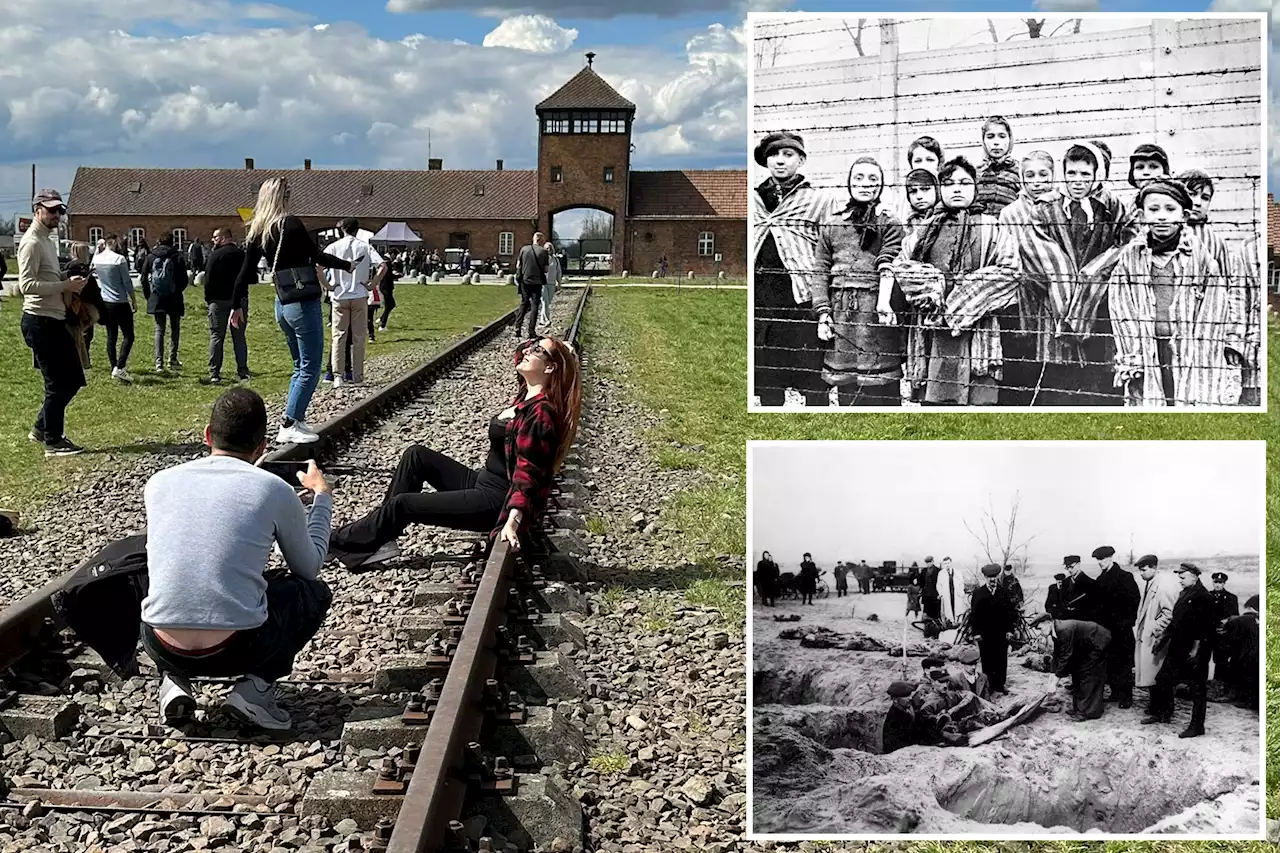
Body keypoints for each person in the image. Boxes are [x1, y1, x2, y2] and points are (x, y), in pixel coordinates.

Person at [139, 388, 334, 730]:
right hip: (238, 647)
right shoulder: (274, 490)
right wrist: (322, 498)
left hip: (160, 641)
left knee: (167, 575)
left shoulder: (158, 483)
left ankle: (173, 681)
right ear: (261, 447)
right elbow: (309, 567)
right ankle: (253, 692)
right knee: (312, 592)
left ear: (207, 435)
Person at [328, 337, 581, 568]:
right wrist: (559, 350)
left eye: (537, 350)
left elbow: (529, 474)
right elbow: (519, 353)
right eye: (531, 346)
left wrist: (513, 521)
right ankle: (380, 540)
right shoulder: (527, 395)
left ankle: (334, 541)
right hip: (482, 481)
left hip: (494, 501)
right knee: (416, 456)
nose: (527, 350)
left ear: (549, 368)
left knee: (403, 505)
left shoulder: (541, 415)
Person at [230, 177, 358, 445]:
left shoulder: (258, 229)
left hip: (282, 303)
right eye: (288, 192)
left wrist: (235, 305)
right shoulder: (291, 224)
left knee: (299, 365)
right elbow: (317, 256)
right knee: (310, 366)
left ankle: (295, 418)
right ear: (283, 196)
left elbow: (243, 272)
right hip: (303, 302)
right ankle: (290, 422)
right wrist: (346, 266)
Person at [893, 156, 1016, 405]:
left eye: (964, 183)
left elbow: (1011, 271)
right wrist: (931, 286)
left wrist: (964, 298)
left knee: (977, 403)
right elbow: (902, 266)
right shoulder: (925, 229)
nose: (957, 189)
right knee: (936, 405)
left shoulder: (991, 226)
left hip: (978, 327)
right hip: (932, 327)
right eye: (948, 183)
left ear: (975, 187)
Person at [1108, 178, 1239, 406]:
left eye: (1170, 209)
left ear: (1184, 216)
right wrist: (1133, 353)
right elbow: (1121, 305)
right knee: (1152, 399)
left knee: (1187, 399)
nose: (1161, 216)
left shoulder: (1199, 257)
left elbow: (1214, 305)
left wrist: (1203, 348)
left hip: (1190, 347)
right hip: (1148, 347)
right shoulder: (1132, 257)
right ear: (1141, 216)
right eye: (1154, 209)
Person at [811, 155, 905, 406]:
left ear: (882, 184)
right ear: (850, 183)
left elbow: (892, 262)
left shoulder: (890, 222)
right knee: (848, 389)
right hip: (842, 314)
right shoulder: (832, 223)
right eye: (859, 178)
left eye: (873, 178)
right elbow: (820, 270)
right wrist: (823, 312)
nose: (865, 184)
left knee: (881, 389)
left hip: (876, 315)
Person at [752, 131, 832, 407]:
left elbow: (829, 246)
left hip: (801, 298)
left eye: (788, 155)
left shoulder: (818, 201)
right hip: (763, 298)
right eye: (773, 155)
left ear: (801, 159)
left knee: (810, 372)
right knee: (767, 374)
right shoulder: (755, 200)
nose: (780, 161)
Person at [18, 189, 88, 457]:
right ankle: (53, 441)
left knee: (71, 379)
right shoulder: (32, 243)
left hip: (53, 319)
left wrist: (67, 276)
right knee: (58, 383)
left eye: (59, 210)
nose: (57, 215)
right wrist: (63, 284)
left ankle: (41, 429)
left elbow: (46, 274)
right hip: (39, 320)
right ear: (37, 210)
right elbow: (26, 285)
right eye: (51, 210)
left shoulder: (47, 240)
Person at [1144, 563, 1215, 737]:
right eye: (1179, 577)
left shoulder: (1203, 596)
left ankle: (1197, 726)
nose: (1180, 581)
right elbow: (1175, 622)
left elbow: (1204, 628)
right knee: (1162, 679)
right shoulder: (1185, 593)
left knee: (1198, 688)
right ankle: (1164, 713)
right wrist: (1162, 639)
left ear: (1194, 576)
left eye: (1183, 577)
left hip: (1196, 650)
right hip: (1178, 647)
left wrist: (1196, 651)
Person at [324, 218, 386, 389]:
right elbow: (382, 266)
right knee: (359, 337)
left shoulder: (333, 247)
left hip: (339, 295)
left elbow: (317, 266)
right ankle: (358, 376)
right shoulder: (365, 246)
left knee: (338, 336)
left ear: (343, 229)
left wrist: (328, 285)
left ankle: (337, 376)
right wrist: (373, 284)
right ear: (357, 230)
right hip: (359, 294)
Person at [1032, 613, 1112, 720]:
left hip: (1098, 641)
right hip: (1086, 644)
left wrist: (1054, 684)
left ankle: (1088, 712)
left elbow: (1065, 657)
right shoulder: (1056, 630)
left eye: (1040, 628)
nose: (1040, 632)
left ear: (1047, 623)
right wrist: (1051, 678)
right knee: (1077, 672)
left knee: (1088, 675)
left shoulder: (1063, 629)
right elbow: (1057, 655)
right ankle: (1078, 708)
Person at [1091, 545, 1139, 708]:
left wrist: (1126, 622)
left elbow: (1134, 602)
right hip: (1106, 630)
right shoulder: (1100, 580)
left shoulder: (1125, 577)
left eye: (1102, 559)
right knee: (1110, 662)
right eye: (1098, 560)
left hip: (1121, 630)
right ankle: (1115, 692)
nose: (1100, 563)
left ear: (1111, 558)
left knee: (1123, 664)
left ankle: (1126, 697)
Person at [204, 228, 251, 384]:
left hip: (218, 301)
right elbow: (248, 278)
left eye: (215, 237)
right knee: (239, 337)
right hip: (238, 301)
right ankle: (243, 370)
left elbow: (208, 278)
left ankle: (214, 372)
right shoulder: (242, 255)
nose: (213, 240)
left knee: (217, 336)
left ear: (224, 238)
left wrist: (209, 299)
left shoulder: (215, 255)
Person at [142, 233, 188, 373]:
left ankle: (159, 362)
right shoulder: (177, 256)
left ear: (158, 241)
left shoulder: (151, 256)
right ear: (172, 242)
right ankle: (172, 358)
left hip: (157, 297)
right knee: (175, 328)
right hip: (174, 297)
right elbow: (184, 279)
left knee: (159, 330)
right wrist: (177, 290)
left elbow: (143, 277)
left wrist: (148, 295)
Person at [94, 235, 137, 383]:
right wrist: (133, 299)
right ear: (114, 244)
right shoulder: (119, 259)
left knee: (111, 337)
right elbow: (127, 281)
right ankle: (120, 366)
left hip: (106, 301)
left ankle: (114, 367)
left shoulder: (97, 259)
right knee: (128, 336)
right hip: (120, 301)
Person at [1133, 553, 1180, 691]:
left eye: (1144, 570)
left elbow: (1169, 614)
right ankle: (1155, 707)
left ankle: (1163, 709)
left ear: (1154, 568)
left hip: (1157, 638)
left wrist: (1154, 628)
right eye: (1140, 570)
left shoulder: (1163, 588)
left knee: (1158, 675)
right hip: (1147, 636)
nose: (1141, 573)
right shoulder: (1150, 584)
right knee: (1151, 674)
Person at [969, 563, 1015, 693]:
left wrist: (1009, 630)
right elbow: (974, 615)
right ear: (985, 577)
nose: (992, 579)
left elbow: (1009, 613)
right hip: (985, 634)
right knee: (987, 659)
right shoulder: (978, 593)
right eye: (989, 577)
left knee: (1001, 659)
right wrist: (976, 632)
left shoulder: (1004, 592)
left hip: (1001, 634)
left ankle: (1000, 685)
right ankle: (988, 686)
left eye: (994, 576)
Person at [975, 116, 1019, 217]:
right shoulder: (976, 173)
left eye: (1002, 136)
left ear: (1010, 139)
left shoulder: (1019, 172)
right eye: (990, 136)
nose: (996, 142)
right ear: (983, 140)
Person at [1221, 595, 1258, 710]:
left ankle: (1241, 698)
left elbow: (1229, 640)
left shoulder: (1237, 620)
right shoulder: (1256, 620)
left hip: (1243, 655)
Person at [514, 232, 550, 340]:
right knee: (535, 305)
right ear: (541, 240)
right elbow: (546, 269)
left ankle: (517, 327)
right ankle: (531, 331)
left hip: (525, 281)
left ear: (533, 239)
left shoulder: (524, 249)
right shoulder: (543, 252)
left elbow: (518, 265)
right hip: (537, 282)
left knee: (524, 303)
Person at [1208, 571, 1239, 688]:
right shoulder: (1207, 596)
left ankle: (1219, 683)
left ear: (1224, 583)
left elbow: (1235, 616)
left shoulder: (1231, 598)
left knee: (1221, 660)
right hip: (1209, 632)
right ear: (1213, 582)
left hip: (1222, 634)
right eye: (1216, 582)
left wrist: (1226, 622)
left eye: (1220, 583)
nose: (1217, 585)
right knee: (1203, 658)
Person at [1058, 554, 1098, 622]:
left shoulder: (1090, 583)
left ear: (1079, 564)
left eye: (1071, 567)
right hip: (1067, 622)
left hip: (1082, 622)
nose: (1069, 570)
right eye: (1067, 567)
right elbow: (1061, 601)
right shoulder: (1065, 582)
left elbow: (1092, 607)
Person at [881, 681, 917, 753]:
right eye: (905, 696)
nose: (910, 698)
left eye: (910, 695)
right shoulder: (895, 718)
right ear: (895, 700)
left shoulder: (906, 707)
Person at [539, 240, 561, 334]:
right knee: (545, 302)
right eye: (547, 248)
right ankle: (547, 320)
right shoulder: (541, 258)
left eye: (550, 248)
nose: (549, 250)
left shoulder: (555, 259)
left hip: (551, 283)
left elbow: (558, 271)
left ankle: (541, 320)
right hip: (542, 283)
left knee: (548, 303)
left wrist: (559, 282)